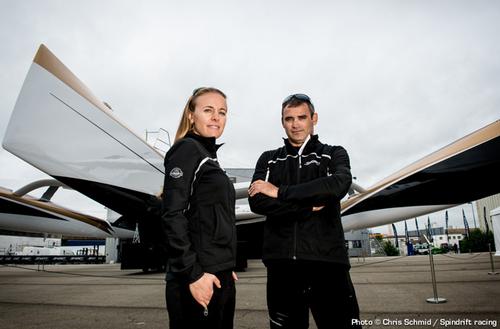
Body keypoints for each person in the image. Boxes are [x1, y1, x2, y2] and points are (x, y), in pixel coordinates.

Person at [248, 93, 361, 329]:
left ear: (314, 118)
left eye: (301, 117)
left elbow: (336, 186)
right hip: (282, 268)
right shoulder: (268, 160)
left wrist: (279, 192)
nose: (295, 124)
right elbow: (257, 202)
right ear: (282, 121)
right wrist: (309, 207)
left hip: (328, 264)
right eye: (289, 118)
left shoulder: (333, 153)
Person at [160, 87, 237, 329]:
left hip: (218, 272)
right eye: (208, 110)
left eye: (222, 112)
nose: (216, 117)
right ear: (192, 115)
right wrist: (193, 274)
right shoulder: (186, 150)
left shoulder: (208, 156)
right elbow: (172, 214)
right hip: (197, 276)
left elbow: (212, 217)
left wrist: (224, 264)